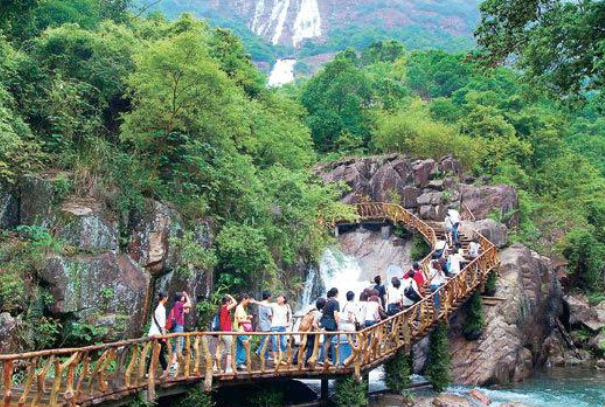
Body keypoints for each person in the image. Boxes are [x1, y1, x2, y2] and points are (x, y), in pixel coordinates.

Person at [146, 291, 169, 380]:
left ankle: (163, 370)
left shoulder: (156, 307)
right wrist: (164, 336)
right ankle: (151, 372)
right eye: (167, 297)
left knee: (158, 353)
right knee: (157, 353)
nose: (167, 299)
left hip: (152, 333)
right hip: (158, 334)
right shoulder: (162, 308)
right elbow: (162, 325)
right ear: (164, 298)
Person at [169, 291, 191, 372]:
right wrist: (187, 296)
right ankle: (173, 363)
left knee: (177, 344)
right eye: (182, 296)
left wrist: (185, 301)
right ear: (179, 297)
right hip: (178, 327)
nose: (183, 297)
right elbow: (189, 304)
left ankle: (173, 363)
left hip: (178, 327)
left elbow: (187, 310)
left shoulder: (178, 304)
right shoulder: (178, 303)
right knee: (180, 345)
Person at [216, 294, 237, 374]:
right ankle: (228, 369)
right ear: (227, 302)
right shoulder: (226, 308)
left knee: (220, 351)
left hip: (221, 333)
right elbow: (235, 303)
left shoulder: (220, 309)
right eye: (229, 301)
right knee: (229, 352)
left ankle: (216, 367)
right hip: (227, 333)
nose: (231, 302)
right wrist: (231, 296)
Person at [302, 298, 326, 364]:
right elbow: (314, 324)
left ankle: (295, 360)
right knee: (311, 347)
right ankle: (307, 363)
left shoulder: (312, 311)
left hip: (307, 330)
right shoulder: (319, 313)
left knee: (304, 345)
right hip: (312, 331)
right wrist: (320, 331)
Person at [320, 288, 340, 364]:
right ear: (336, 294)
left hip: (325, 324)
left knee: (326, 341)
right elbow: (335, 314)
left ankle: (322, 359)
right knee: (331, 341)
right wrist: (338, 325)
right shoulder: (335, 302)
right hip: (332, 324)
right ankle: (333, 360)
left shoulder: (327, 301)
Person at [234, 293, 254, 370]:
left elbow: (241, 318)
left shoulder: (241, 308)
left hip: (240, 330)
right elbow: (239, 320)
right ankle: (240, 362)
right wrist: (247, 319)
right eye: (247, 300)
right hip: (241, 330)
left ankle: (237, 362)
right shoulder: (239, 308)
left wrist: (247, 317)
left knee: (240, 346)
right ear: (244, 299)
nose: (248, 302)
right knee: (247, 344)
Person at [270, 294, 292, 363]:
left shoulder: (287, 306)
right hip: (274, 326)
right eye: (278, 297)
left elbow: (290, 314)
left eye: (280, 297)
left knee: (283, 342)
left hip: (283, 327)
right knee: (275, 342)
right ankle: (275, 359)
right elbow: (265, 304)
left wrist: (288, 322)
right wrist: (255, 301)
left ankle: (281, 357)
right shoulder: (274, 305)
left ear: (284, 299)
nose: (278, 298)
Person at [256, 291, 273, 362]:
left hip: (261, 324)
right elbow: (270, 316)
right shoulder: (267, 305)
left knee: (264, 339)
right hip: (267, 324)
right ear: (269, 297)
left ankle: (266, 356)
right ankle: (259, 351)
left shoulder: (260, 304)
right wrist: (274, 323)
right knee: (266, 340)